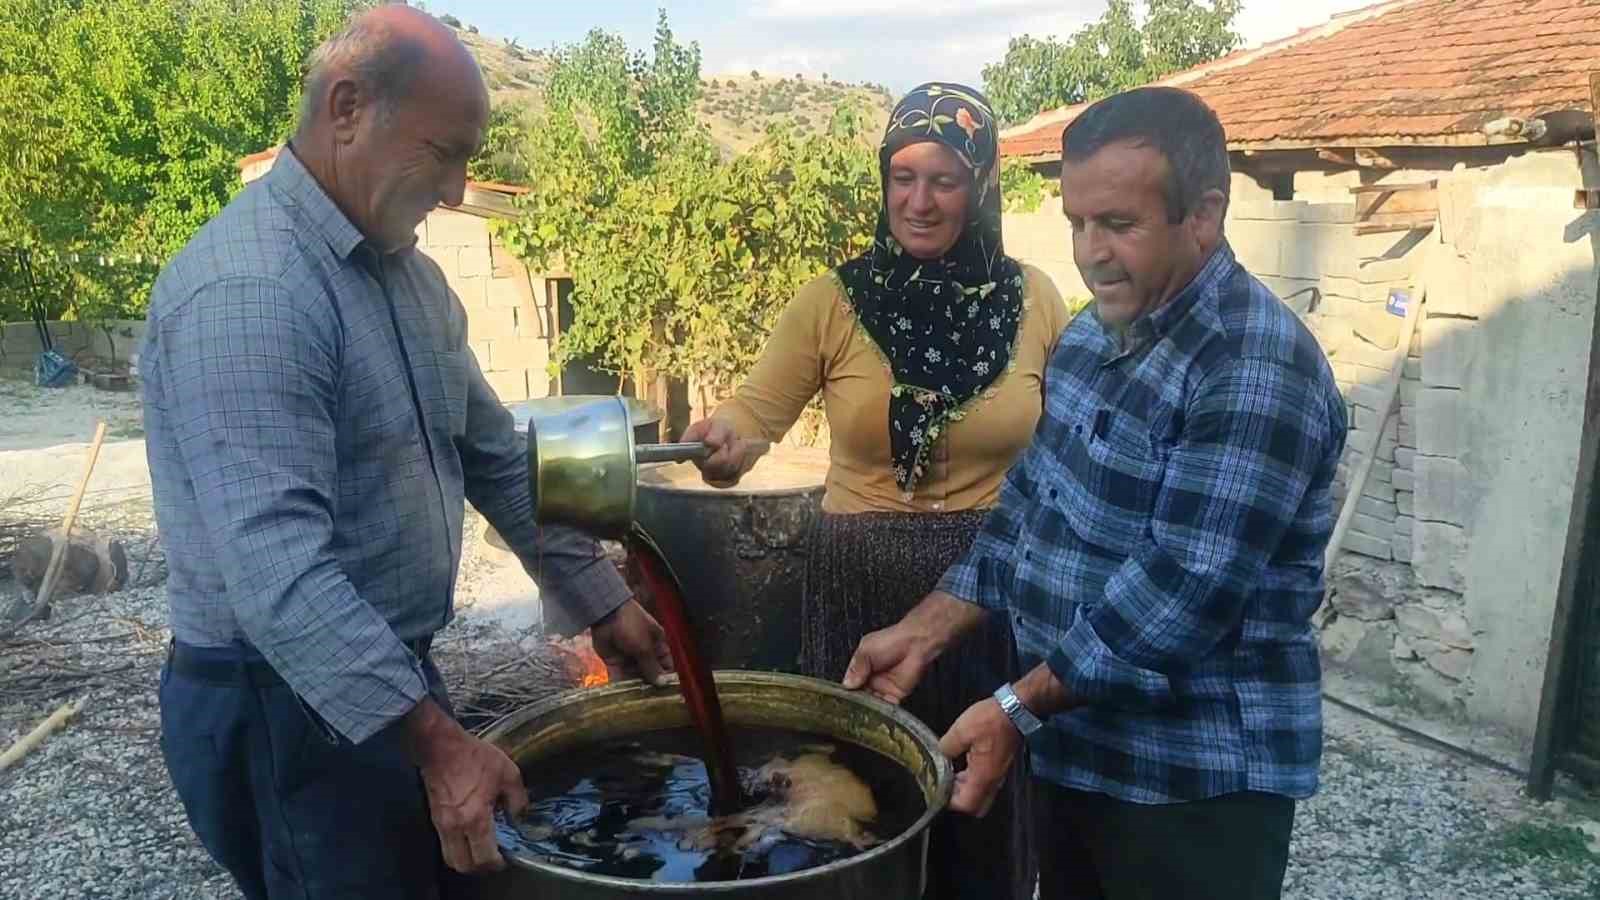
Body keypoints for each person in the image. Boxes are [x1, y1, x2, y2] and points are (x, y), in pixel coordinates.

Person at [141, 8, 672, 898]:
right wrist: (439, 743)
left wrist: (603, 599)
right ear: (347, 107)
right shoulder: (252, 291)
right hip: (277, 700)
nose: (459, 191)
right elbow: (281, 579)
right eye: (445, 153)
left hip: (381, 672)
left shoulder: (411, 282)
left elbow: (499, 458)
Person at [841, 86, 1348, 900]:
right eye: (1077, 223)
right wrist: (925, 629)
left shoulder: (1252, 369)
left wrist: (1013, 706)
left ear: (1204, 214)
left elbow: (1173, 600)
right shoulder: (1092, 335)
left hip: (1193, 789)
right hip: (1079, 754)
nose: (1089, 252)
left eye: (1118, 224)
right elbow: (1029, 512)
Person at [683, 82, 1069, 900]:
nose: (918, 200)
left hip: (988, 591)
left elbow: (1065, 444)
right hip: (856, 588)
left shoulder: (1034, 301)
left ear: (983, 182)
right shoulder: (835, 300)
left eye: (944, 178)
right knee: (857, 808)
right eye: (902, 176)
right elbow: (756, 413)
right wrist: (726, 445)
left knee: (979, 800)